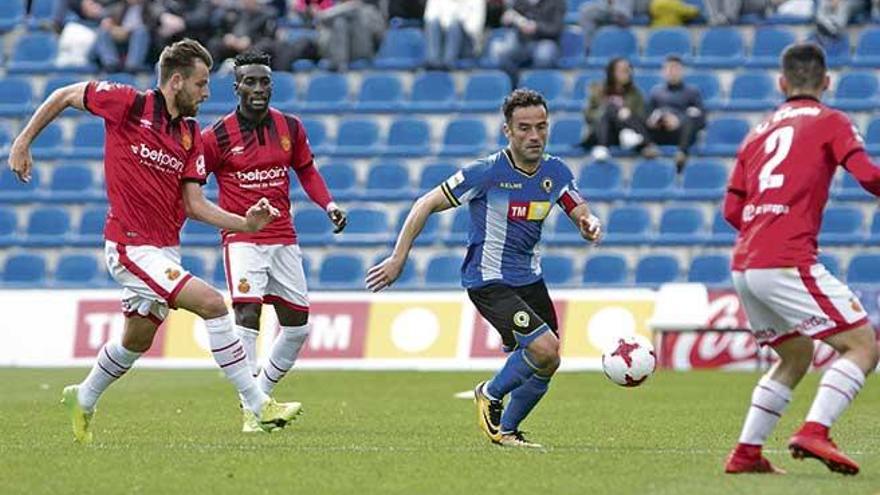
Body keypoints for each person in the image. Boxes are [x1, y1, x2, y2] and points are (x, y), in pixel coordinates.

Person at [7, 38, 303, 444]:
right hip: (130, 245)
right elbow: (64, 95)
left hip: (164, 248)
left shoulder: (190, 135)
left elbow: (194, 204)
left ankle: (84, 396)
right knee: (214, 305)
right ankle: (258, 404)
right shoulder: (128, 104)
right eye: (200, 84)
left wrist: (246, 224)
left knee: (138, 337)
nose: (206, 93)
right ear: (177, 80)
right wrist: (22, 142)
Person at [366, 89, 602, 448]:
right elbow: (425, 203)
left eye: (541, 127)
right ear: (507, 130)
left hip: (530, 278)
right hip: (488, 280)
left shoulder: (556, 171)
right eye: (524, 128)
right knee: (545, 349)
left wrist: (589, 223)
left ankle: (506, 431)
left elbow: (578, 208)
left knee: (548, 361)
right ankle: (489, 393)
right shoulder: (487, 172)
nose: (534, 136)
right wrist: (399, 257)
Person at [723, 42, 880, 475]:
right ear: (827, 82)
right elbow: (868, 175)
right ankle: (815, 429)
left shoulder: (758, 132)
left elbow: (731, 210)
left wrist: (764, 233)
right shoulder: (832, 121)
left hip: (745, 265)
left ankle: (746, 453)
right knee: (863, 346)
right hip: (785, 258)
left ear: (782, 82)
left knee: (795, 354)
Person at [202, 52, 348, 433]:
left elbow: (306, 170)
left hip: (283, 237)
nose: (258, 89)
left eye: (264, 81)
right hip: (242, 237)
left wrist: (328, 205)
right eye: (250, 82)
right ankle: (251, 407)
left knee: (297, 327)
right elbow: (191, 182)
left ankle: (259, 395)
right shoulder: (216, 135)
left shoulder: (291, 127)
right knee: (247, 314)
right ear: (236, 87)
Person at [582, 57, 659, 161]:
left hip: (624, 130)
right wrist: (609, 112)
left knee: (621, 113)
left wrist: (628, 113)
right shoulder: (598, 90)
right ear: (612, 72)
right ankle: (646, 143)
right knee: (610, 108)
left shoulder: (636, 93)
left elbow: (641, 117)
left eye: (628, 70)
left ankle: (606, 146)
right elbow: (588, 115)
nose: (627, 72)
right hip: (601, 132)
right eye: (623, 70)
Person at [645, 55, 705, 172]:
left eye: (675, 69)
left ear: (682, 71)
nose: (672, 72)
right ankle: (647, 147)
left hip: (682, 134)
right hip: (661, 132)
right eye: (668, 69)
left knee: (692, 116)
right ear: (663, 71)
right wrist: (657, 119)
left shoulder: (692, 92)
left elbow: (702, 119)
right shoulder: (655, 92)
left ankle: (681, 154)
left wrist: (678, 120)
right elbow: (647, 116)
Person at [486, 0, 566, 83]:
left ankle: (537, 89)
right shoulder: (520, 2)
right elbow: (513, 20)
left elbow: (556, 29)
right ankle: (514, 88)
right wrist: (508, 20)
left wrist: (536, 27)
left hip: (546, 41)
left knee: (544, 55)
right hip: (523, 42)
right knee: (501, 53)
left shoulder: (556, 2)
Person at [423, 0, 486, 70]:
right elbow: (429, 18)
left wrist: (457, 20)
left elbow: (474, 29)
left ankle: (448, 64)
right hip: (442, 39)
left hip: (466, 44)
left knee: (455, 26)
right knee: (433, 24)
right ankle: (433, 62)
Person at [579, 0, 650, 55]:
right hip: (612, 8)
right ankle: (590, 51)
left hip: (638, 5)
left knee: (620, 12)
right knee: (587, 11)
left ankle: (620, 13)